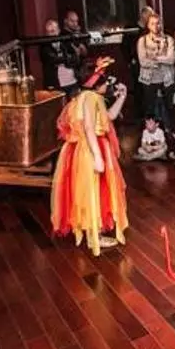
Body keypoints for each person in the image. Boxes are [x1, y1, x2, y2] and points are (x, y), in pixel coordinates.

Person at [51, 59, 129, 256]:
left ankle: (91, 233)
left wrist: (122, 97)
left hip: (81, 150)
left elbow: (109, 116)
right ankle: (94, 237)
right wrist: (98, 156)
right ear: (96, 83)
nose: (107, 85)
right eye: (104, 81)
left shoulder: (82, 97)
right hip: (91, 149)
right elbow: (88, 128)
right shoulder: (92, 99)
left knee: (86, 191)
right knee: (94, 191)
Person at [137, 13, 175, 142]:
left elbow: (171, 59)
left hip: (167, 79)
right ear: (148, 26)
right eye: (152, 23)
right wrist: (162, 59)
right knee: (150, 108)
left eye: (158, 23)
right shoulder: (143, 40)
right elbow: (143, 61)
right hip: (149, 80)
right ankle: (150, 136)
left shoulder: (169, 39)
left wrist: (155, 58)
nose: (156, 26)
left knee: (170, 107)